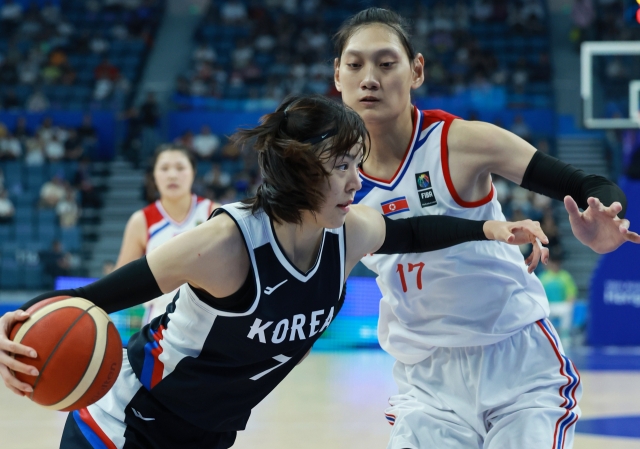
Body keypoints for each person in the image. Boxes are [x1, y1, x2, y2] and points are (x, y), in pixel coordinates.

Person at [0, 94, 549, 449]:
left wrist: (487, 230)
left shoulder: (349, 231)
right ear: (299, 171)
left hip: (210, 434)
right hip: (125, 425)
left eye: (357, 165)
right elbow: (99, 296)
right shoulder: (225, 244)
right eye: (341, 167)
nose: (357, 182)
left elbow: (410, 232)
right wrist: (19, 323)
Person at [333, 8, 640, 449]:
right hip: (427, 379)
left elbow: (586, 184)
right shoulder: (330, 176)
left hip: (515, 360)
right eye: (355, 64)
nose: (370, 78)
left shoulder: (462, 142)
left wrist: (605, 217)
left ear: (416, 70)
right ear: (337, 76)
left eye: (386, 63)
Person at [114, 144, 219, 324]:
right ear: (154, 175)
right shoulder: (141, 221)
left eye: (180, 168)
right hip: (158, 323)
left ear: (193, 172)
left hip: (208, 320)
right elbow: (120, 282)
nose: (172, 175)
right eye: (164, 168)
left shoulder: (215, 213)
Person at [539, 247, 578, 342]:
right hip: (549, 306)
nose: (555, 265)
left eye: (557, 263)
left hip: (562, 305)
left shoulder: (565, 276)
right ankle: (547, 335)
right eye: (553, 262)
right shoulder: (543, 277)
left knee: (568, 310)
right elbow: (539, 294)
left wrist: (569, 304)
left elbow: (571, 294)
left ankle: (565, 335)